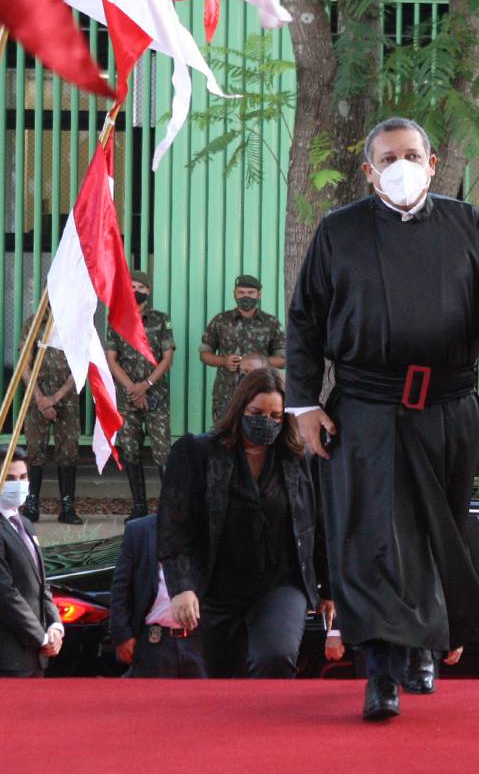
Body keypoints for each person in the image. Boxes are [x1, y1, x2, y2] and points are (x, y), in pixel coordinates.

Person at [286, 117, 479, 721]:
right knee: (376, 538)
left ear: (431, 160)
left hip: (448, 407)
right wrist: (304, 404)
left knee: (434, 529)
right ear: (370, 171)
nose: (403, 165)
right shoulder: (338, 231)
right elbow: (305, 322)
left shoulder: (467, 225)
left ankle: (427, 644)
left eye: (413, 154)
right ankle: (382, 672)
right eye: (389, 157)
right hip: (367, 408)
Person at [160, 369, 328, 681]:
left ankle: (273, 727)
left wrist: (328, 587)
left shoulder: (298, 459)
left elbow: (316, 524)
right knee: (223, 676)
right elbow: (175, 525)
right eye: (257, 413)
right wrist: (181, 587)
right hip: (218, 587)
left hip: (279, 583)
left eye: (276, 416)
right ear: (240, 410)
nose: (266, 422)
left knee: (275, 658)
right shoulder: (198, 454)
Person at [0, 453, 64, 677]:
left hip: (32, 655)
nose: (19, 484)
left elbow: (41, 583)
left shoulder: (25, 524)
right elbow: (2, 592)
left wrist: (54, 626)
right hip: (3, 657)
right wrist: (40, 637)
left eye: (23, 477)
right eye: (10, 479)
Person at [109, 270, 177, 519]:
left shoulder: (161, 319)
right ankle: (139, 507)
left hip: (156, 395)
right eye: (132, 286)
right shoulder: (116, 319)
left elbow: (167, 357)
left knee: (162, 451)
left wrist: (146, 384)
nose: (136, 291)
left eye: (141, 287)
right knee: (130, 449)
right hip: (127, 397)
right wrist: (132, 388)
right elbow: (112, 358)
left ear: (148, 291)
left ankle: (168, 508)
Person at [111, 514, 203, 678]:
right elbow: (121, 587)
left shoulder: (212, 529)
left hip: (201, 642)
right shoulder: (140, 530)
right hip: (154, 643)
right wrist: (122, 636)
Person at [200, 273, 286, 420]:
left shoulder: (271, 323)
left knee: (256, 435)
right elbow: (204, 354)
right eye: (241, 292)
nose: (246, 296)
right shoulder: (220, 321)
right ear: (235, 294)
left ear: (259, 294)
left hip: (260, 392)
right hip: (226, 393)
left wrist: (259, 363)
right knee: (224, 437)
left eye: (251, 292)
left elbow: (283, 360)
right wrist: (223, 361)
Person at [24, 311, 82, 525]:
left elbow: (80, 364)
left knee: (68, 451)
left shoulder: (76, 322)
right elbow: (24, 364)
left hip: (67, 398)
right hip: (36, 397)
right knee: (34, 450)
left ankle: (67, 507)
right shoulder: (34, 322)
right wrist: (40, 398)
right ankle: (32, 505)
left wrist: (56, 398)